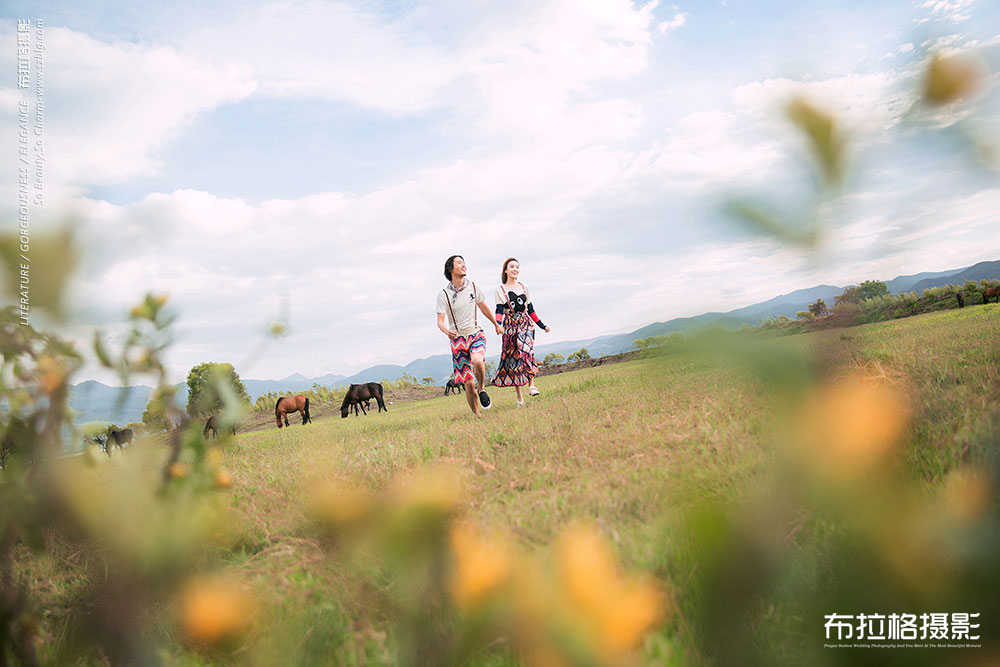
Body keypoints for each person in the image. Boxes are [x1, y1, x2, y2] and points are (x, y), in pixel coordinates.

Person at [436, 255, 504, 417]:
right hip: (457, 340)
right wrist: (446, 331)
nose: (464, 265)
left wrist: (496, 324)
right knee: (468, 383)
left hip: (475, 332)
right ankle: (477, 414)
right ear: (450, 269)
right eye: (459, 263)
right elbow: (440, 321)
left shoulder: (473, 287)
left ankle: (482, 389)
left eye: (464, 262)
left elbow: (483, 307)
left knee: (477, 360)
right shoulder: (443, 295)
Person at [490, 257, 550, 406]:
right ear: (506, 270)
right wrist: (498, 325)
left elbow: (531, 310)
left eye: (517, 267)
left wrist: (542, 325)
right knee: (514, 361)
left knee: (527, 351)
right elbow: (499, 310)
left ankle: (532, 385)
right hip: (510, 326)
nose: (515, 269)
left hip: (525, 323)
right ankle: (519, 399)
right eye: (512, 266)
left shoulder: (523, 287)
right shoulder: (500, 290)